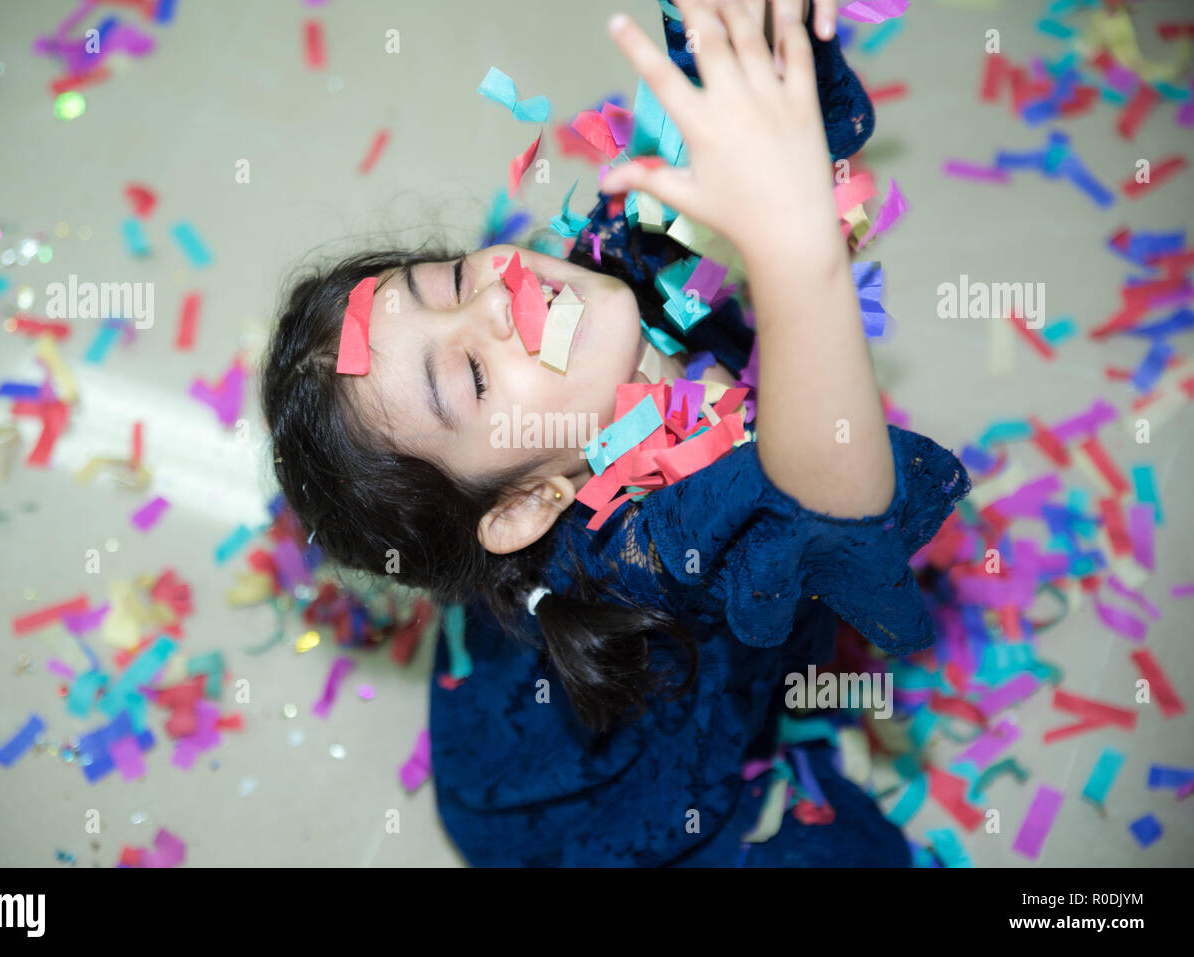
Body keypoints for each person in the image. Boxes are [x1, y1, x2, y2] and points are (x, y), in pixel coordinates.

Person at [260, 0, 970, 866]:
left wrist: (741, 37)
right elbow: (830, 502)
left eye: (450, 280)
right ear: (529, 503)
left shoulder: (610, 271)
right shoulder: (654, 551)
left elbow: (722, 124)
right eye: (474, 376)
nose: (498, 303)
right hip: (621, 800)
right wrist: (795, 253)